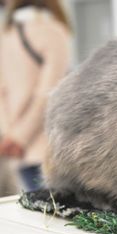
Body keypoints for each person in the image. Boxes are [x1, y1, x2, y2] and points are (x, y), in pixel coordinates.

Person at [0, 0, 71, 191]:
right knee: (51, 214)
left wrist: (10, 136)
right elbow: (48, 92)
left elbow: (2, 91)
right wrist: (19, 138)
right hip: (42, 144)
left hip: (17, 148)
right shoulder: (53, 31)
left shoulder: (8, 34)